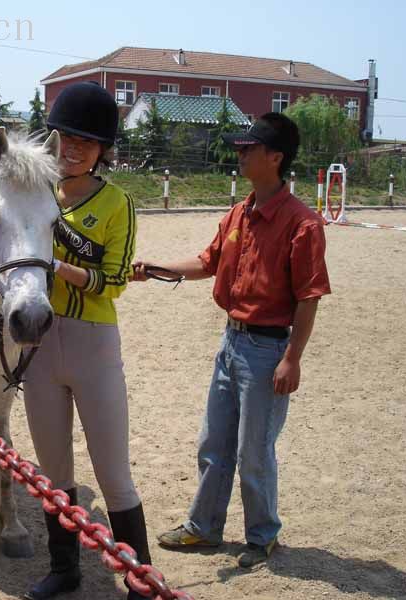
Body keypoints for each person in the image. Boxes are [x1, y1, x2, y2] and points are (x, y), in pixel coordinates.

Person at [0, 81, 151, 599]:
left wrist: (54, 265)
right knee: (55, 472)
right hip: (37, 350)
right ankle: (65, 569)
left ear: (103, 149)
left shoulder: (116, 204)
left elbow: (115, 279)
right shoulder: (33, 190)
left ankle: (141, 578)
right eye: (66, 136)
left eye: (87, 141)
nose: (74, 148)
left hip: (92, 345)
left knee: (113, 474)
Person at [132, 113, 331, 568]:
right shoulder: (239, 213)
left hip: (266, 352)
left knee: (253, 451)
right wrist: (156, 268)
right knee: (214, 442)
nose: (239, 154)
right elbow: (208, 262)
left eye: (249, 148)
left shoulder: (303, 225)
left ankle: (262, 537)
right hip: (231, 343)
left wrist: (292, 359)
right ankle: (204, 527)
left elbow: (308, 297)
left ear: (275, 157)